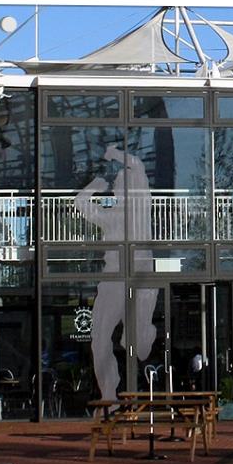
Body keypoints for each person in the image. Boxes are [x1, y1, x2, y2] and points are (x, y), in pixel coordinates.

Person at [74, 145, 158, 401]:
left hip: (140, 274)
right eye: (116, 189)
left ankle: (142, 332)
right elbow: (81, 203)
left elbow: (137, 165)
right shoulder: (110, 217)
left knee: (138, 347)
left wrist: (113, 153)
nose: (116, 192)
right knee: (98, 336)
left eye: (122, 187)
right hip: (113, 278)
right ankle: (109, 392)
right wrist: (94, 186)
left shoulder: (141, 204)